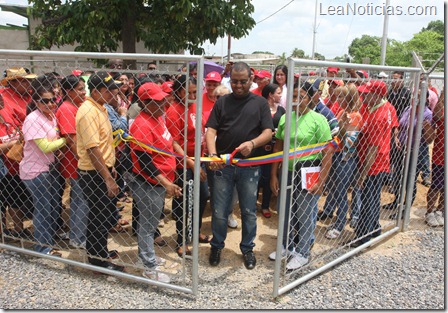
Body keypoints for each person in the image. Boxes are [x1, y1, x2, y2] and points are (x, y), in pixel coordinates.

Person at [205, 61, 273, 270]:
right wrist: (213, 155)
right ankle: (217, 245)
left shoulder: (260, 103)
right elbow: (211, 130)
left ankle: (247, 248)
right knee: (219, 209)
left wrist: (252, 143)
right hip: (223, 165)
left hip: (249, 166)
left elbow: (268, 132)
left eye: (243, 82)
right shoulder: (222, 102)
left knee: (249, 210)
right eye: (234, 81)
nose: (238, 85)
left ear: (251, 80)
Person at [269, 81, 334, 269]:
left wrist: (321, 181)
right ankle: (286, 246)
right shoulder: (285, 118)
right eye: (294, 97)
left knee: (305, 212)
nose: (297, 100)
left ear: (310, 98)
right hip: (288, 171)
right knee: (285, 210)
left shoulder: (318, 120)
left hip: (308, 171)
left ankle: (303, 251)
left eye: (301, 97)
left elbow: (327, 152)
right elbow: (278, 147)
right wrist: (274, 174)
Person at [129, 82, 182, 283]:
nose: (164, 104)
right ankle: (148, 266)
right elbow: (144, 163)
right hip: (148, 183)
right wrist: (166, 182)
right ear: (145, 103)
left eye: (164, 100)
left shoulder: (158, 117)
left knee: (150, 223)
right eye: (159, 101)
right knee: (148, 225)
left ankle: (149, 257)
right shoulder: (142, 124)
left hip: (158, 183)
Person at [76, 71, 123, 272]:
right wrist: (107, 178)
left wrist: (110, 170)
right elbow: (93, 149)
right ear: (95, 91)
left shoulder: (100, 107)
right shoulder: (88, 111)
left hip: (102, 170)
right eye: (108, 89)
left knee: (102, 215)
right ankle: (98, 261)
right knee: (98, 216)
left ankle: (99, 251)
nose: (114, 92)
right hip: (93, 173)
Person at [20, 75, 66, 256]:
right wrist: (66, 140)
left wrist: (59, 146)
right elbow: (45, 146)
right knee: (43, 209)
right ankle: (42, 247)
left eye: (53, 100)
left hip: (49, 168)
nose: (50, 103)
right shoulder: (33, 119)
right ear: (36, 101)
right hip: (35, 171)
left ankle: (49, 241)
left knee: (52, 206)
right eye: (44, 101)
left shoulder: (50, 116)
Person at [348, 80, 397, 247]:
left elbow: (373, 149)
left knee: (368, 200)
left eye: (366, 93)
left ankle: (362, 237)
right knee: (372, 198)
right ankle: (374, 229)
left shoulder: (380, 115)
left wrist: (362, 175)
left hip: (374, 164)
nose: (363, 96)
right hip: (370, 159)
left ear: (377, 95)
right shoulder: (371, 107)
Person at [165, 75, 211, 257]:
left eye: (195, 92)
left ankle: (196, 230)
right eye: (188, 92)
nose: (192, 95)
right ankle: (182, 240)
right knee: (184, 201)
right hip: (183, 163)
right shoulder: (173, 111)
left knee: (202, 196)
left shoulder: (195, 107)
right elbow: (174, 143)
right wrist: (191, 163)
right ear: (179, 92)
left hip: (199, 159)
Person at [383, 89, 434, 220]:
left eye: (417, 96)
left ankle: (405, 208)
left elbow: (429, 139)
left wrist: (425, 126)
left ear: (425, 99)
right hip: (401, 149)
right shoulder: (408, 109)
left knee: (409, 180)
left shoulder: (427, 114)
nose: (414, 98)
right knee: (398, 177)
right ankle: (396, 202)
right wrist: (396, 137)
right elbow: (399, 125)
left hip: (415, 151)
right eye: (413, 96)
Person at [319, 84, 363, 239]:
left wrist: (343, 126)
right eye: (337, 96)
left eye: (341, 96)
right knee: (334, 189)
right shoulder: (343, 112)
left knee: (341, 190)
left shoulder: (355, 116)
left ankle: (340, 224)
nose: (338, 99)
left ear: (349, 97)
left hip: (345, 158)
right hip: (335, 155)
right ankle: (338, 219)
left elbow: (350, 143)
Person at [56, 75, 89, 249]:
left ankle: (77, 233)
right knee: (81, 200)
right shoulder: (67, 109)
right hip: (76, 162)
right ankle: (78, 237)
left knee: (79, 199)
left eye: (84, 88)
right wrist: (85, 162)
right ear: (68, 91)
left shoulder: (75, 106)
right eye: (79, 89)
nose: (83, 92)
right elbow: (71, 139)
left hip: (79, 161)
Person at [259, 83, 285, 218]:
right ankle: (251, 204)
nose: (281, 95)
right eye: (278, 93)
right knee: (258, 177)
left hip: (275, 149)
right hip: (259, 149)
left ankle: (265, 205)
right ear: (270, 95)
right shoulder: (260, 108)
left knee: (270, 176)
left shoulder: (282, 111)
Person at [425, 88, 444, 227]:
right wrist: (443, 96)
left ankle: (440, 211)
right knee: (436, 185)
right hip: (441, 155)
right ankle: (430, 212)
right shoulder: (442, 110)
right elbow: (436, 116)